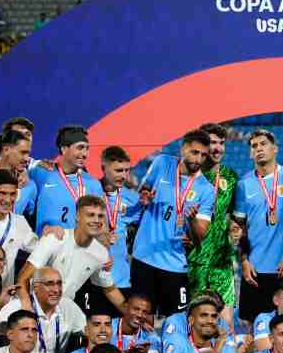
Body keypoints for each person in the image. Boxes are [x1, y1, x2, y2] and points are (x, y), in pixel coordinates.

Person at [132, 130, 215, 316]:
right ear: (183, 149)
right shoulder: (162, 162)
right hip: (144, 257)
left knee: (176, 321)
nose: (199, 159)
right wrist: (145, 194)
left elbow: (200, 235)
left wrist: (192, 220)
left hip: (175, 264)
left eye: (203, 155)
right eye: (195, 152)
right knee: (142, 319)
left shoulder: (207, 190)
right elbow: (144, 187)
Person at [233, 129, 283, 322]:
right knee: (253, 325)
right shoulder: (244, 184)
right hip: (255, 269)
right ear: (250, 153)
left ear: (275, 149)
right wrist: (244, 261)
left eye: (263, 144)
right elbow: (239, 228)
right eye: (254, 146)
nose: (258, 149)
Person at [20, 195, 125, 316]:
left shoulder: (101, 253)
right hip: (34, 306)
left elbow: (109, 289)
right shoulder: (55, 238)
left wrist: (129, 313)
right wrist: (27, 309)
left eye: (100, 216)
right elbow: (23, 277)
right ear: (77, 217)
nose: (96, 220)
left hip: (63, 313)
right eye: (90, 215)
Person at [185, 123, 238, 317]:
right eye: (212, 142)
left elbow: (236, 216)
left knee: (225, 323)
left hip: (221, 260)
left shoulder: (231, 177)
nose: (217, 148)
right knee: (194, 321)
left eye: (221, 143)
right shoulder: (188, 176)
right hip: (194, 260)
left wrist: (234, 227)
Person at [161, 293, 250, 353]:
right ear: (191, 319)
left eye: (214, 316)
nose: (210, 320)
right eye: (204, 315)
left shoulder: (223, 336)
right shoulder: (179, 334)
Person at [25, 124, 104, 235]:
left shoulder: (94, 184)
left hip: (81, 247)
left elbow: (102, 223)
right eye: (80, 148)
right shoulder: (40, 173)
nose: (85, 154)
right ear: (64, 149)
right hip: (48, 245)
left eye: (87, 149)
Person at [0, 266, 87, 353]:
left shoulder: (68, 306)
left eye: (59, 284)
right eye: (50, 284)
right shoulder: (17, 306)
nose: (56, 290)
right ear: (35, 287)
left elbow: (90, 332)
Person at [96, 146, 141, 296]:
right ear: (104, 168)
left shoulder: (132, 198)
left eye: (126, 170)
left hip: (121, 275)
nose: (123, 175)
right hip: (92, 273)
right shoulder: (91, 191)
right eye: (118, 170)